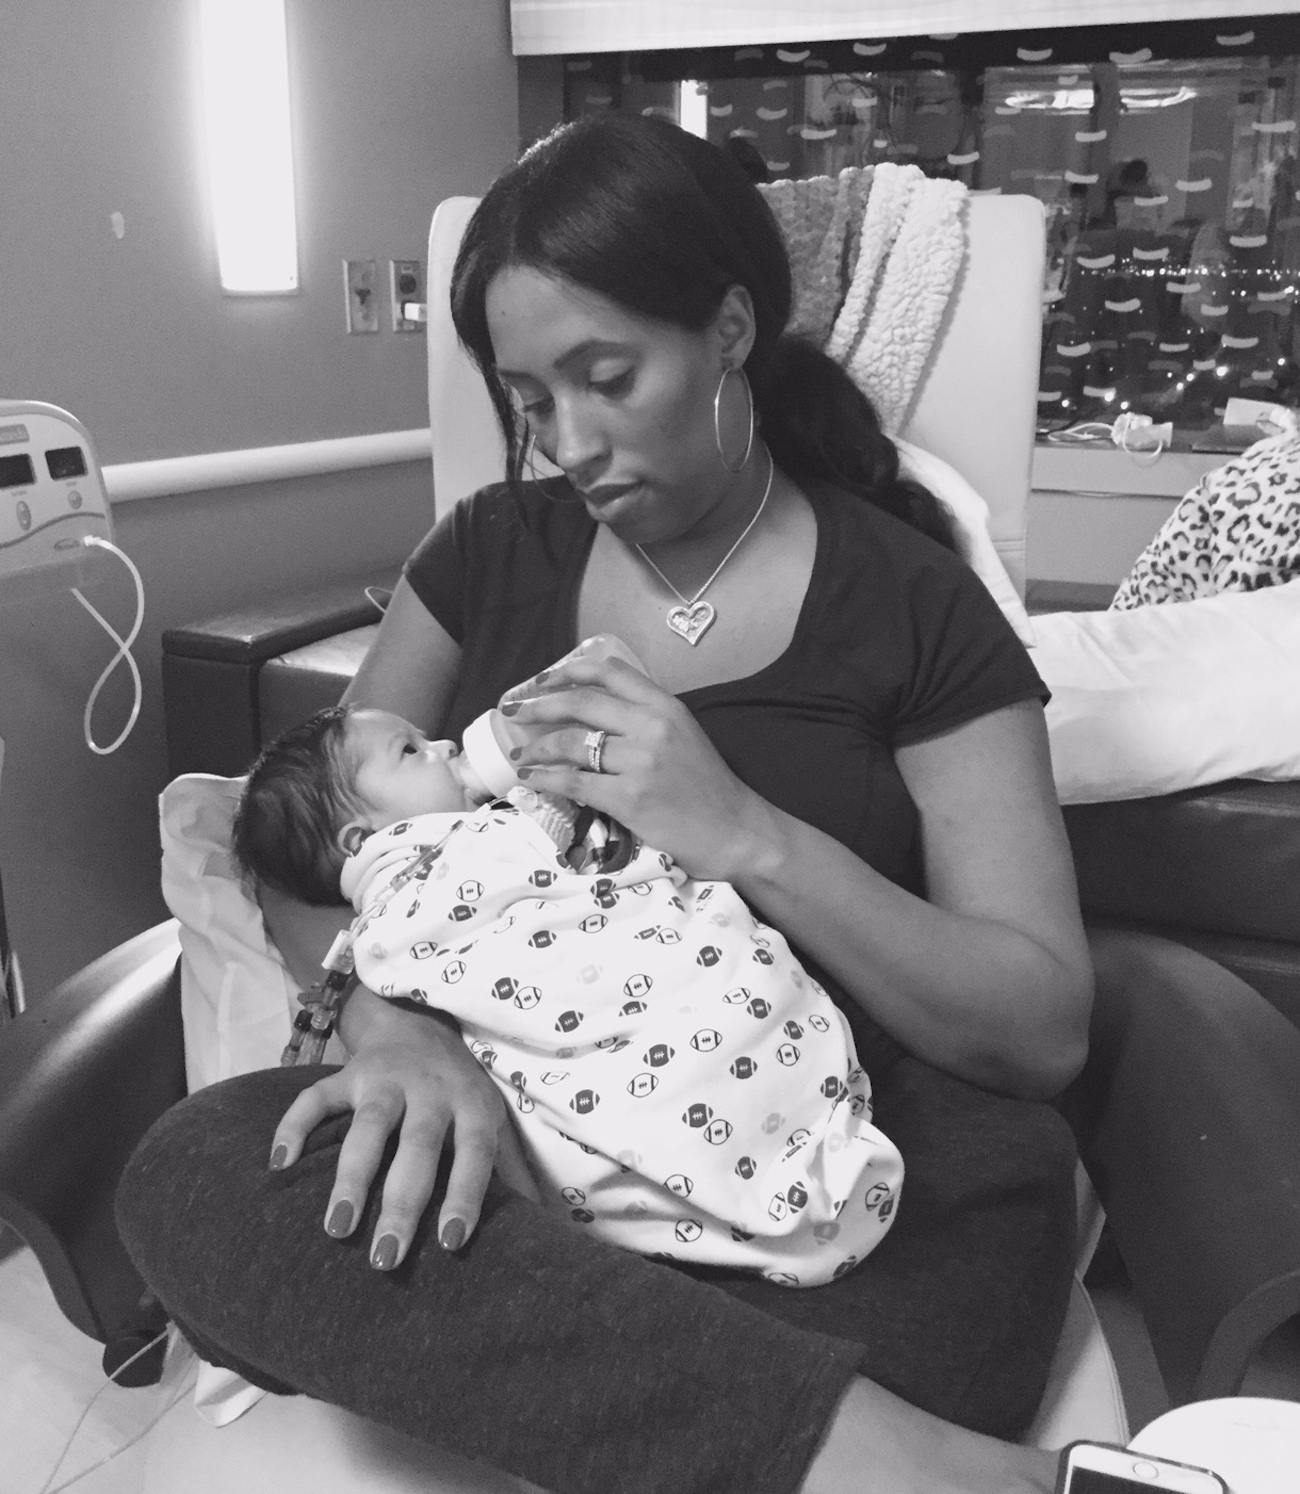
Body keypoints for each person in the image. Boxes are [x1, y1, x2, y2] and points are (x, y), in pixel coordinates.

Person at [117, 113, 1092, 1494]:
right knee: (196, 1173)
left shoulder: (915, 602)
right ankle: (907, 1464)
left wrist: (743, 828)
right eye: (527, 400)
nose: (565, 442)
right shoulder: (488, 556)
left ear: (733, 331)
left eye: (607, 377)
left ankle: (724, 1413)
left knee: (982, 1233)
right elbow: (301, 851)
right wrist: (395, 1032)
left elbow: (1041, 1023)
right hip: (546, 1142)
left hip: (856, 1154)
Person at [232, 700, 905, 1286]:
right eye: (411, 750)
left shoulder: (389, 916)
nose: (443, 746)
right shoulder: (463, 855)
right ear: (363, 838)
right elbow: (550, 810)